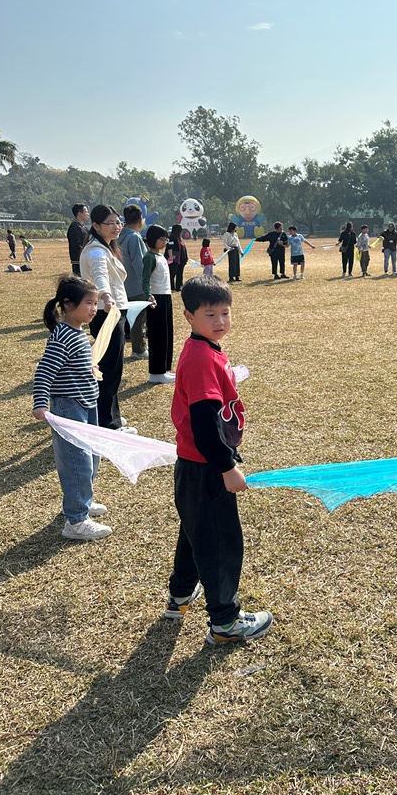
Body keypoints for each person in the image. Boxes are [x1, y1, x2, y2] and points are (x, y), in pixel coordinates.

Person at [164, 275, 273, 645]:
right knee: (220, 543)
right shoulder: (200, 359)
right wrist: (227, 467)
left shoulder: (206, 349)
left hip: (195, 467)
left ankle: (181, 594)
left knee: (195, 531)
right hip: (207, 468)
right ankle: (225, 622)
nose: (220, 321)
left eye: (225, 312)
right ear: (189, 316)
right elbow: (204, 425)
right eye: (210, 314)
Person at [32, 275, 112, 541]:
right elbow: (44, 371)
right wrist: (40, 403)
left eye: (95, 303)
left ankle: (82, 502)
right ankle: (76, 521)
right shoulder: (63, 336)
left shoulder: (77, 332)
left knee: (91, 456)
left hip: (87, 404)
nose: (94, 308)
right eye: (89, 303)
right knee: (77, 462)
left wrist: (89, 368)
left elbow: (72, 364)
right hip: (69, 408)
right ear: (68, 305)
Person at [79, 205, 134, 432]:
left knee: (110, 367)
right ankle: (109, 423)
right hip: (107, 312)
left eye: (118, 222)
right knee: (110, 369)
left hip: (111, 310)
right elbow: (100, 275)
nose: (116, 227)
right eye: (110, 223)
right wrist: (107, 297)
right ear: (96, 225)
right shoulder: (96, 251)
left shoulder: (106, 247)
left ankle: (110, 415)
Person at [142, 224, 175, 384]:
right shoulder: (149, 257)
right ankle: (156, 372)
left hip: (166, 297)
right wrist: (148, 296)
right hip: (156, 299)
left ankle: (164, 368)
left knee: (167, 333)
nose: (164, 242)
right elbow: (145, 279)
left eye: (165, 239)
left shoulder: (161, 256)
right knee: (158, 335)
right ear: (153, 239)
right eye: (161, 239)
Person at [118, 204, 148, 361]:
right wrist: (146, 284)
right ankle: (139, 349)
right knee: (138, 320)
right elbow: (140, 264)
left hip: (123, 285)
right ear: (140, 219)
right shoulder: (135, 237)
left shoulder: (118, 236)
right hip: (136, 286)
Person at [67, 204, 90, 275]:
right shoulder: (75, 227)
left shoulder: (84, 227)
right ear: (80, 214)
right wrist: (86, 255)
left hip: (84, 260)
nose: (88, 214)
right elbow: (76, 246)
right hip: (79, 261)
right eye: (86, 212)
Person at [166, 224, 188, 291]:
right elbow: (169, 247)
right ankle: (171, 287)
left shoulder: (180, 239)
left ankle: (179, 287)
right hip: (174, 259)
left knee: (180, 274)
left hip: (181, 260)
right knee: (172, 274)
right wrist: (170, 257)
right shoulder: (171, 238)